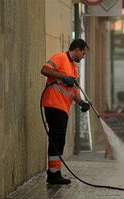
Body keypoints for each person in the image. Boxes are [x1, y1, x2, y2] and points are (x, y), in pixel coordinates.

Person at [40, 39, 90, 185]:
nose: (83, 56)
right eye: (83, 53)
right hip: (53, 104)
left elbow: (74, 90)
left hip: (63, 108)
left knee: (59, 140)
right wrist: (63, 77)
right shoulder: (60, 57)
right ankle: (53, 174)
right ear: (76, 49)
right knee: (56, 139)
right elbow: (44, 70)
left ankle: (55, 172)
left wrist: (81, 102)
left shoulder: (73, 68)